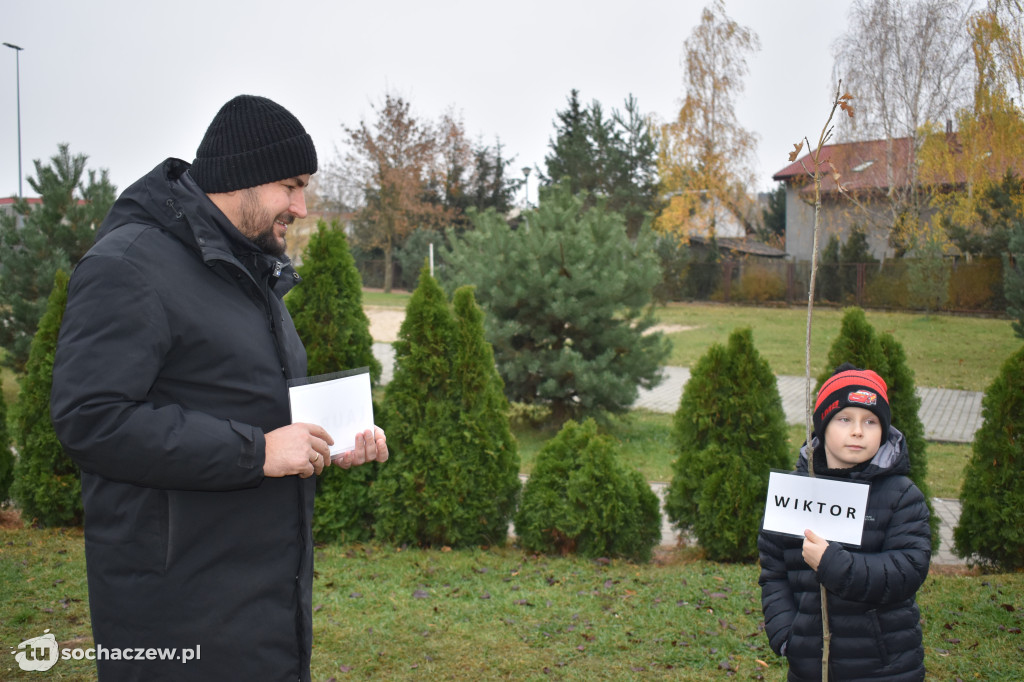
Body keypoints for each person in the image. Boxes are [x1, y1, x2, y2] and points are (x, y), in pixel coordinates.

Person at [50, 94, 388, 681]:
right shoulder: (128, 266)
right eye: (292, 185)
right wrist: (256, 452)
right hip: (175, 614)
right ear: (241, 178)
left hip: (260, 603)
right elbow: (92, 419)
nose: (302, 207)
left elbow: (242, 399)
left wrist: (328, 437)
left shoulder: (248, 267)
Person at [758, 364, 931, 681]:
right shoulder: (794, 494)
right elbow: (773, 570)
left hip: (884, 665)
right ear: (822, 426)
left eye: (871, 421)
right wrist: (786, 635)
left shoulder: (901, 496)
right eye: (844, 419)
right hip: (809, 664)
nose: (858, 431)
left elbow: (908, 568)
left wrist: (835, 565)